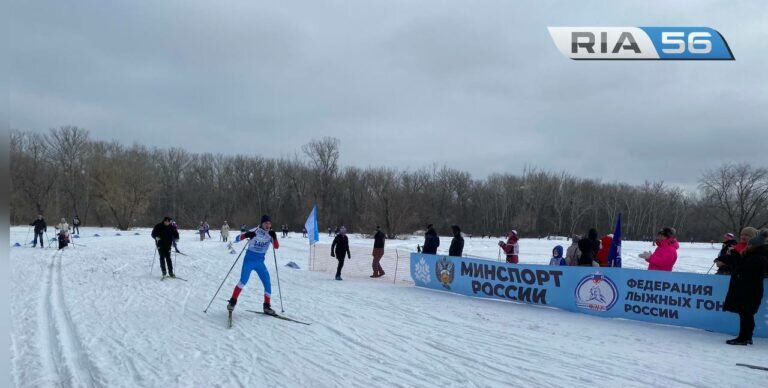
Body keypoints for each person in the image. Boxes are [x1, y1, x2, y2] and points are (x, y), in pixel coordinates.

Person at [720, 230, 768, 345]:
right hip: (748, 289)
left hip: (750, 290)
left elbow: (743, 268)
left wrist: (735, 259)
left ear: (755, 246)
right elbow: (740, 264)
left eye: (750, 245)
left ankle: (744, 337)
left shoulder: (758, 257)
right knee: (745, 314)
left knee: (746, 314)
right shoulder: (753, 256)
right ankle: (746, 337)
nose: (747, 246)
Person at [227, 215, 280, 315]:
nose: (268, 225)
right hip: (249, 261)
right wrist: (246, 235)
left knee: (267, 283)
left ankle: (267, 307)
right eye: (266, 223)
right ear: (262, 224)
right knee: (243, 281)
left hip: (260, 262)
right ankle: (232, 302)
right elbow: (237, 239)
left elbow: (276, 247)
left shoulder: (271, 234)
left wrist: (275, 237)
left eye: (269, 223)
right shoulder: (254, 230)